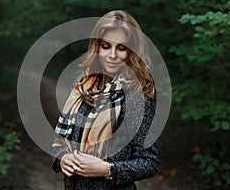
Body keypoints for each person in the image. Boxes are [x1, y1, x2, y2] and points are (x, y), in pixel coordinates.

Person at [52, 10, 159, 190]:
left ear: (132, 51)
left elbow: (149, 162)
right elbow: (61, 139)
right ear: (97, 47)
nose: (112, 55)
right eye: (106, 46)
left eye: (121, 48)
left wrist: (108, 170)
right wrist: (63, 157)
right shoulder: (84, 87)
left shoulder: (136, 97)